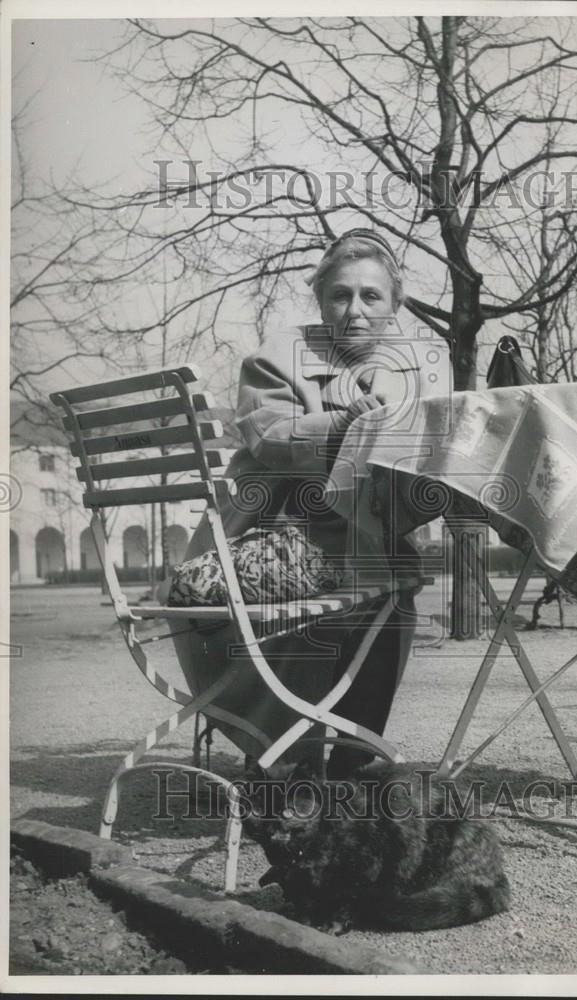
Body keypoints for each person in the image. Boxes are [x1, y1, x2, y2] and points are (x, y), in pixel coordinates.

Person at [170, 229, 451, 778]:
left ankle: (352, 759)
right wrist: (345, 421)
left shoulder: (413, 374)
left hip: (354, 545)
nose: (355, 310)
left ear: (395, 305)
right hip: (265, 538)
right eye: (339, 295)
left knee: (394, 583)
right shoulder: (279, 356)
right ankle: (287, 761)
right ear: (321, 301)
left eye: (371, 296)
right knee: (355, 589)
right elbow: (268, 436)